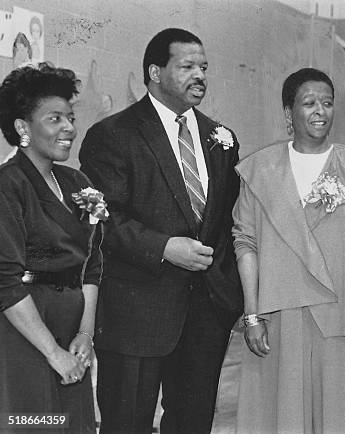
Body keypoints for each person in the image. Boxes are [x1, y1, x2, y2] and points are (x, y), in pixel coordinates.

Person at [79, 28, 242, 433]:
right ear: (155, 71)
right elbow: (100, 217)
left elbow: (227, 221)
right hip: (135, 315)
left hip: (205, 314)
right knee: (127, 422)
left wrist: (229, 297)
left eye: (203, 67)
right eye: (187, 66)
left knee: (192, 422)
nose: (199, 75)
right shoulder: (113, 134)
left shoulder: (220, 138)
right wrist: (164, 247)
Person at [233, 67, 345, 433]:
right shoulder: (259, 170)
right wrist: (253, 315)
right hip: (280, 315)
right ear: (289, 113)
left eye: (327, 103)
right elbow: (246, 243)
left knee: (343, 418)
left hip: (343, 315)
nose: (320, 110)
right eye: (309, 103)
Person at [0, 64, 104, 433]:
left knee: (74, 425)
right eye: (55, 118)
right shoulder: (8, 186)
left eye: (71, 118)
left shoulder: (77, 182)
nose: (69, 128)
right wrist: (53, 353)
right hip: (25, 334)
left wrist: (84, 336)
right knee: (35, 423)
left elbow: (90, 266)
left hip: (72, 334)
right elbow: (6, 282)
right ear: (22, 128)